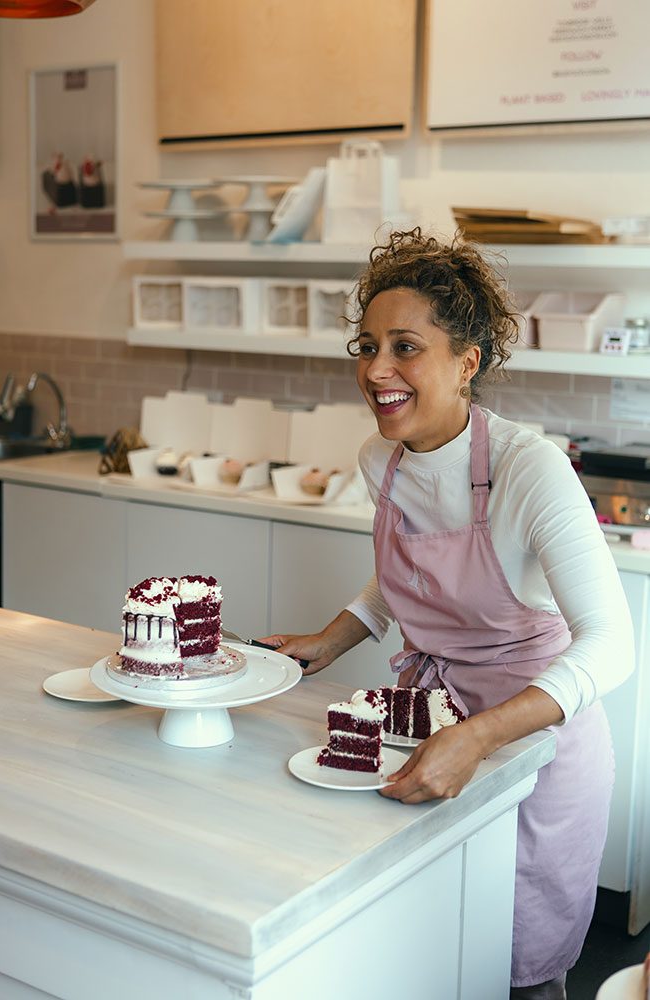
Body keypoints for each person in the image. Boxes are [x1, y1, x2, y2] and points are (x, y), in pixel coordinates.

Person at [262, 229, 635, 1000]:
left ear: (466, 363)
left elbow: (613, 646)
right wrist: (332, 640)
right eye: (366, 346)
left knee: (519, 967)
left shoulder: (529, 471)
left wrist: (478, 737)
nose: (375, 371)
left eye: (404, 347)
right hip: (432, 723)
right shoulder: (381, 459)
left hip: (537, 748)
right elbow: (406, 572)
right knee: (430, 947)